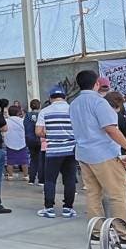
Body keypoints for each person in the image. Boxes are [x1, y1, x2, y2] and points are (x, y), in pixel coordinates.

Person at [68, 70, 126, 247]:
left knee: (93, 194)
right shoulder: (99, 102)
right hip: (104, 154)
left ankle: (96, 233)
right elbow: (111, 129)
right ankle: (124, 236)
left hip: (84, 154)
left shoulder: (74, 104)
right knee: (117, 195)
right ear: (96, 83)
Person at [35, 87, 78, 218]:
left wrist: (50, 134)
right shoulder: (73, 110)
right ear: (65, 97)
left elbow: (38, 132)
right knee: (70, 179)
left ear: (50, 98)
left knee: (50, 180)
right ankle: (68, 209)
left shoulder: (45, 111)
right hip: (71, 150)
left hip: (53, 151)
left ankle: (49, 208)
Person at [3, 105, 29, 181]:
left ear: (9, 112)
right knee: (24, 160)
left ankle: (10, 175)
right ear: (18, 113)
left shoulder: (6, 121)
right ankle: (26, 175)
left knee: (10, 161)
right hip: (22, 142)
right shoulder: (23, 121)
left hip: (10, 143)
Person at [24, 99, 43, 186]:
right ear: (39, 106)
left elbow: (25, 126)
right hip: (39, 139)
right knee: (41, 160)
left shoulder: (27, 115)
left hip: (30, 140)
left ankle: (31, 179)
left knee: (33, 159)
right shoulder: (41, 115)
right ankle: (41, 180)